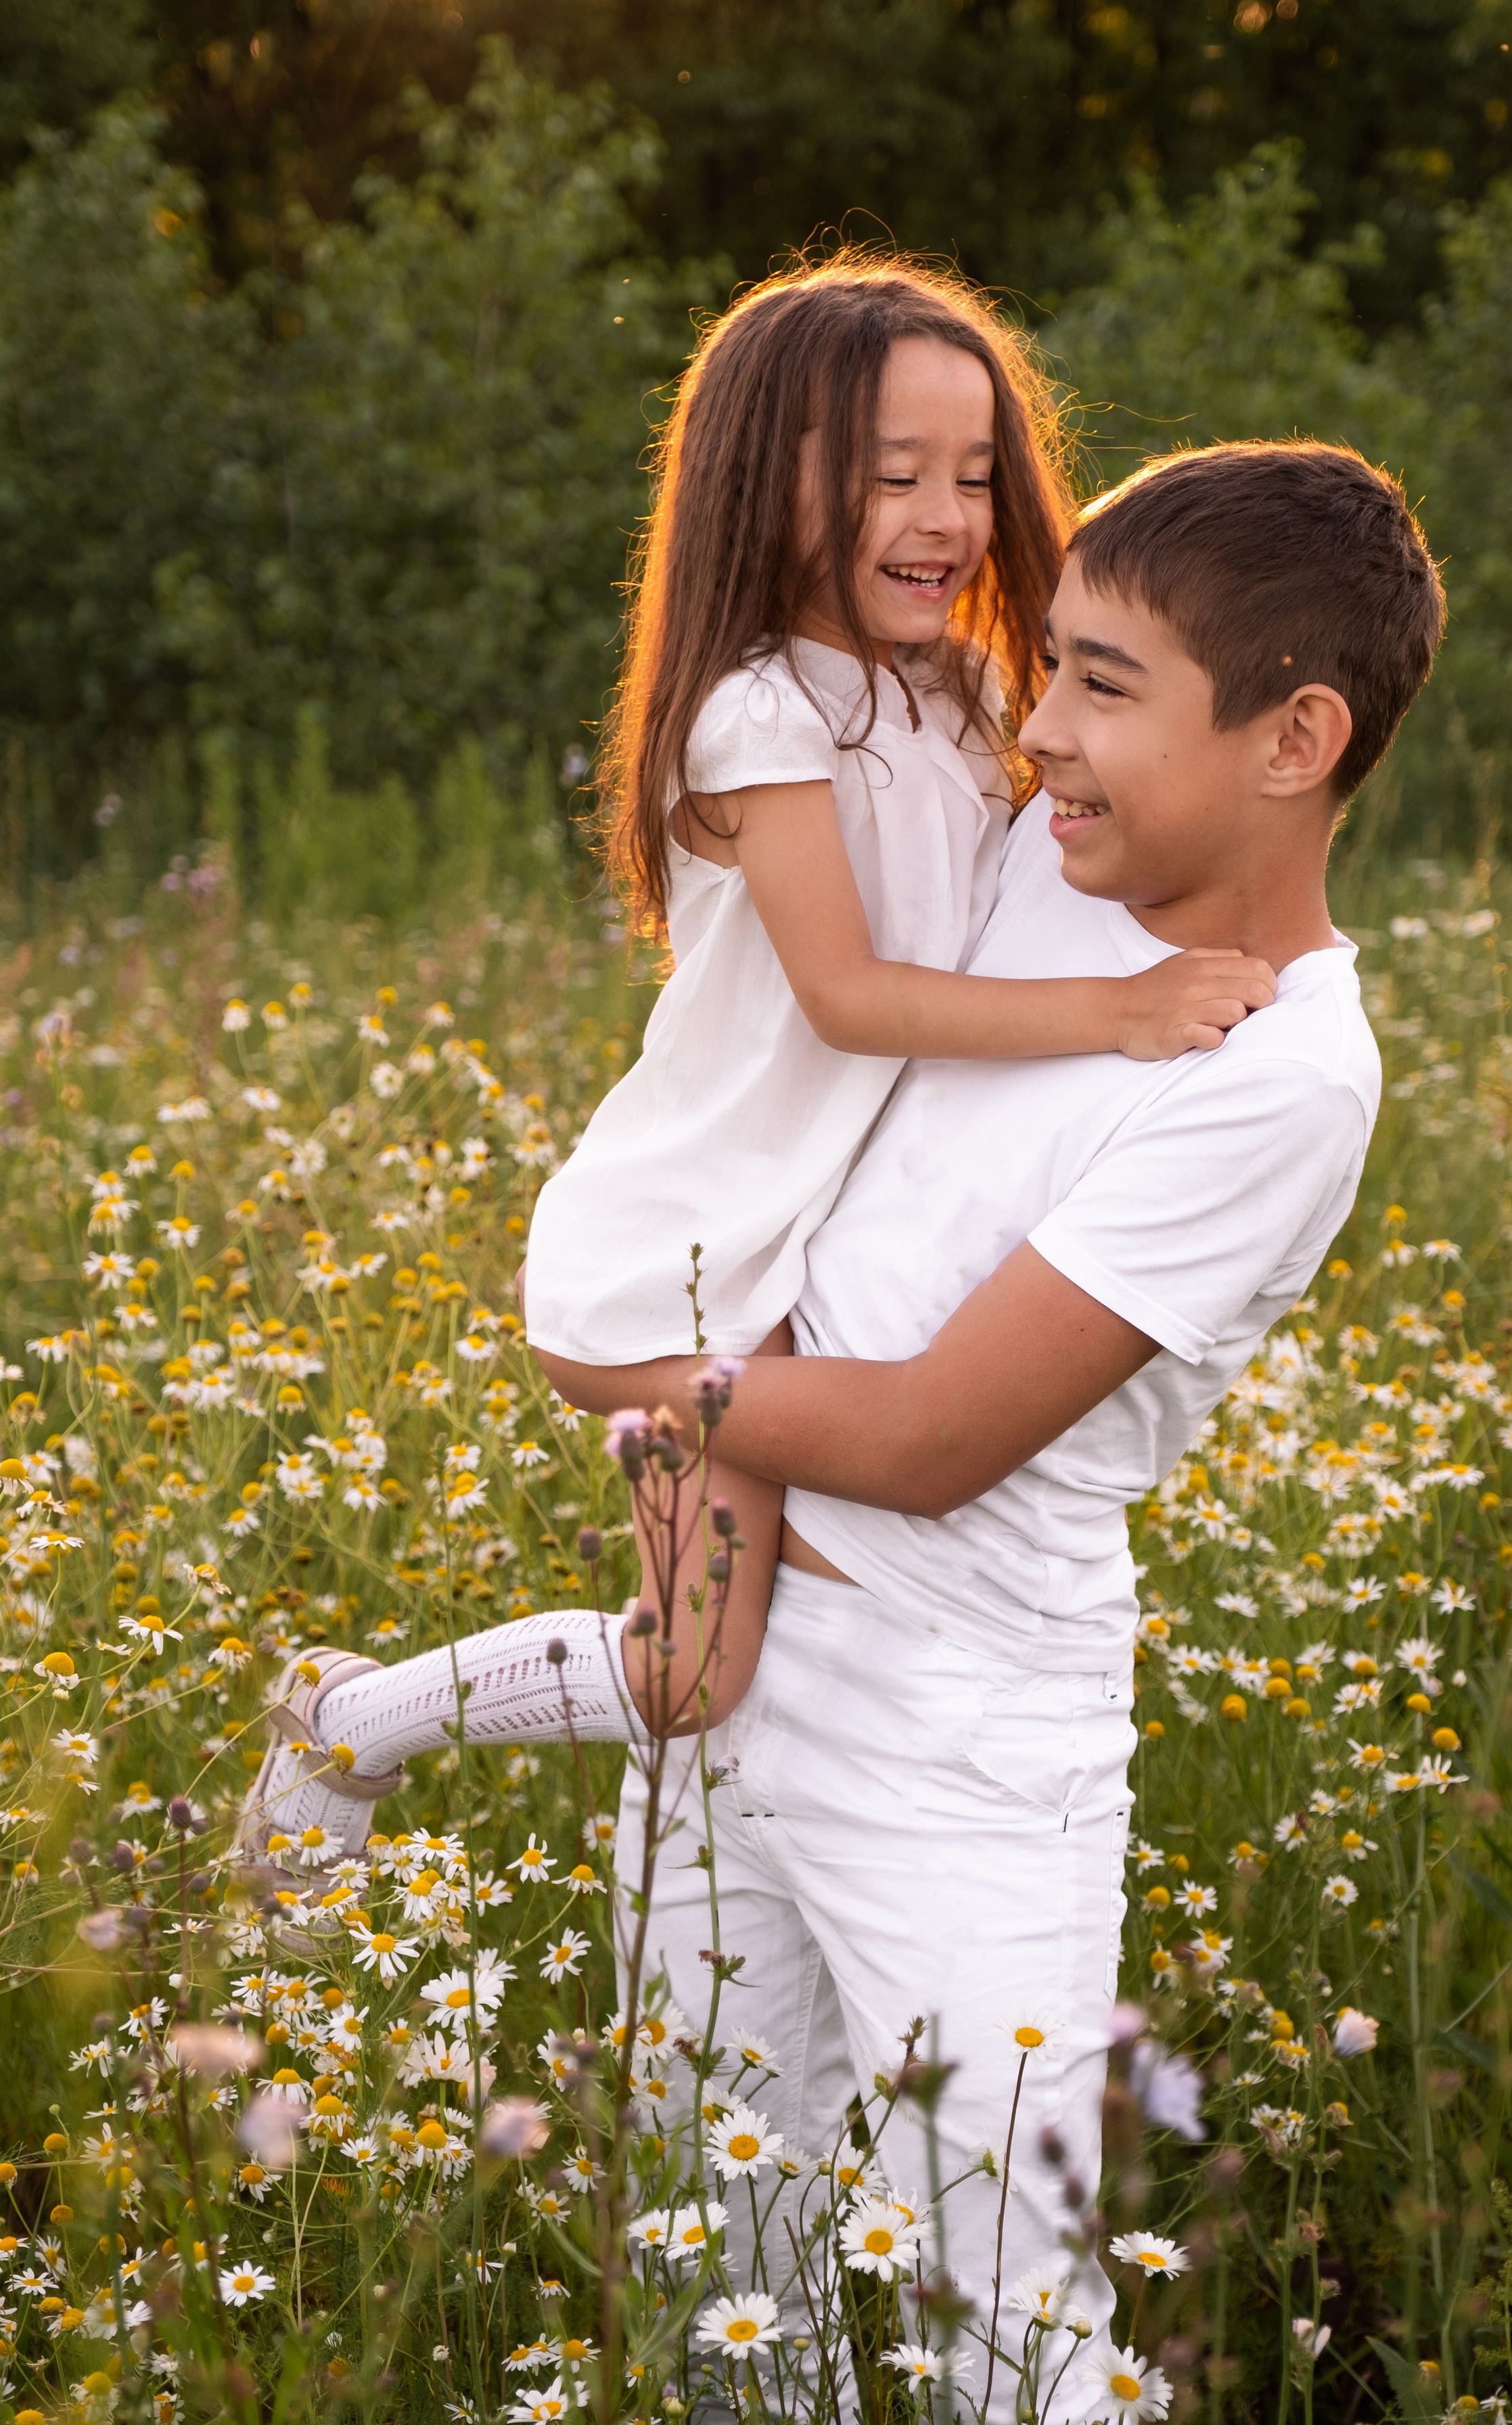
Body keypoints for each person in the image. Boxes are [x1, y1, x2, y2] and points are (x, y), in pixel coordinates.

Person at [242, 434, 1444, 2409]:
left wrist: (658, 1389)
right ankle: (349, 1727)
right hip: (758, 1617)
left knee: (1012, 2334)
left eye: (1107, 688)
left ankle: (352, 1717)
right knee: (727, 2277)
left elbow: (923, 1441)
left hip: (960, 1732)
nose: (1040, 729)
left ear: (1296, 736)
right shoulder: (1041, 864)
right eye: (1048, 665)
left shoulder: (1284, 1075)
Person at [239, 258, 1275, 1857]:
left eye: (974, 474)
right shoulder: (753, 717)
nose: (943, 513)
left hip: (808, 1256)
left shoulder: (967, 689)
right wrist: (1122, 1016)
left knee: (754, 1665)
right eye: (889, 475)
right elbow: (856, 995)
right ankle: (345, 1724)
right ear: (762, 482)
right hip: (691, 1255)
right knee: (690, 1672)